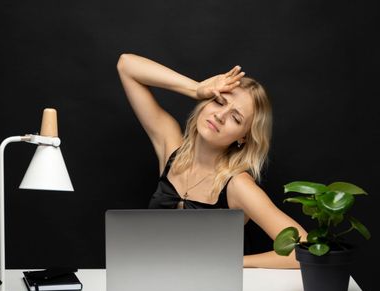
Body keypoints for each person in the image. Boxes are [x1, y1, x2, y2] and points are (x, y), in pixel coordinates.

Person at [117, 53, 307, 268]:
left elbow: (304, 249)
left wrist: (231, 262)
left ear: (243, 137)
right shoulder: (170, 147)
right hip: (156, 282)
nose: (220, 116)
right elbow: (127, 65)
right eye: (219, 101)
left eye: (236, 118)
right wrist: (196, 89)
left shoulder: (238, 185)